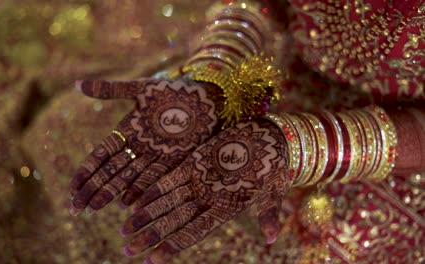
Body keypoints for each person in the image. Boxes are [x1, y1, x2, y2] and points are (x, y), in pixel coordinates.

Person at [69, 0, 425, 263]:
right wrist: (214, 71)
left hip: (405, 150)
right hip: (274, 77)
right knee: (72, 134)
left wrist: (305, 147)